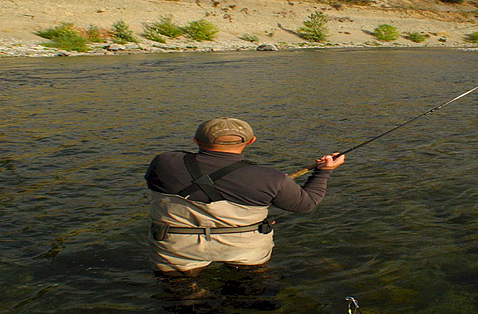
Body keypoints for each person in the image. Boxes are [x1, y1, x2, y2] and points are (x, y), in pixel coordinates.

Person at [145, 117, 344, 277]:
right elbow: (305, 204)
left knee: (182, 296)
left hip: (177, 247)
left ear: (196, 141)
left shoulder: (164, 161)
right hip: (243, 248)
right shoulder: (271, 178)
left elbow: (153, 182)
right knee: (249, 292)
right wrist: (323, 172)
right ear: (251, 141)